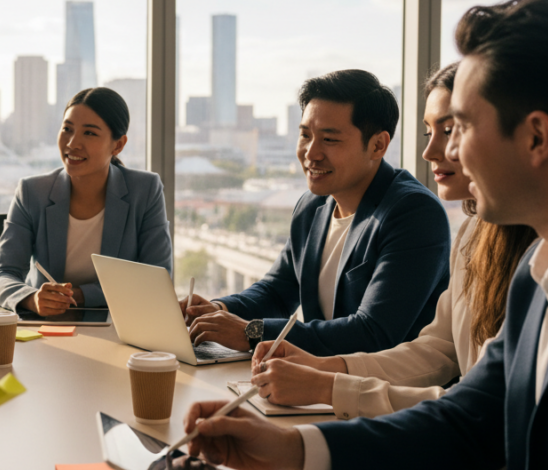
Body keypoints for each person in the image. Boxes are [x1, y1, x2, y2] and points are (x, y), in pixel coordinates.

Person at [169, 0, 548, 470]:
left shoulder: (426, 222)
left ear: (536, 137)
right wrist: (292, 447)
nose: (445, 152)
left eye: (459, 127)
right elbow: (466, 423)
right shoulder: (540, 278)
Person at [250, 64, 536, 425]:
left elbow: (376, 333)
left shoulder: (414, 210)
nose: (429, 152)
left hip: (478, 454)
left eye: (452, 131)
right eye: (429, 132)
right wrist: (324, 370)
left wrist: (327, 384)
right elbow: (438, 349)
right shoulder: (474, 233)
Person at [181, 69, 451, 357]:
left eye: (330, 140)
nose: (311, 153)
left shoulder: (414, 213)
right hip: (315, 384)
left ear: (377, 145)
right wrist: (217, 311)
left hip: (388, 393)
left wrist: (252, 332)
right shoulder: (312, 206)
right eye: (306, 135)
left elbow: (374, 332)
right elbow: (277, 290)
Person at [0, 87, 172, 315]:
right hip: (47, 327)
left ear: (118, 145)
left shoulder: (144, 190)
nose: (72, 143)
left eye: (90, 133)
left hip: (120, 326)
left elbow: (156, 280)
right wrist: (31, 298)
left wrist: (80, 295)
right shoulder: (31, 192)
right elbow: (2, 275)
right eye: (67, 129)